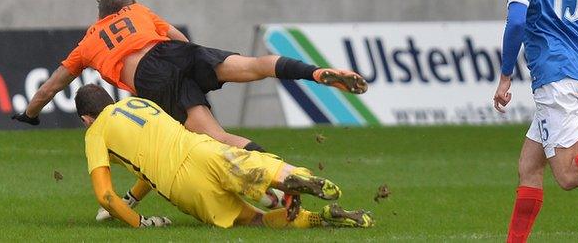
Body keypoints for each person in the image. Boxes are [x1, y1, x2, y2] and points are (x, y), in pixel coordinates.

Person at [11, 0, 368, 151]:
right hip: (178, 53)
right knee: (255, 65)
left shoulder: (88, 42)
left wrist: (30, 114)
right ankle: (316, 72)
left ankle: (282, 173)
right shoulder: (140, 12)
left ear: (99, 15)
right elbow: (178, 37)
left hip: (152, 77)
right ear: (127, 6)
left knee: (218, 139)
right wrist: (194, 66)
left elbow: (49, 88)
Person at [74, 84, 373, 228]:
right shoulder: (137, 103)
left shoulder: (96, 132)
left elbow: (105, 197)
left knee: (255, 220)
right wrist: (134, 197)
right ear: (110, 100)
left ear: (87, 118)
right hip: (202, 149)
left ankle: (317, 220)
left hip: (182, 184)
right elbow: (152, 157)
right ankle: (294, 180)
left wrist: (140, 221)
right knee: (264, 168)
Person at [495, 0, 578, 242]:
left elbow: (515, 24)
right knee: (529, 166)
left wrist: (505, 75)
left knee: (567, 175)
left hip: (554, 79)